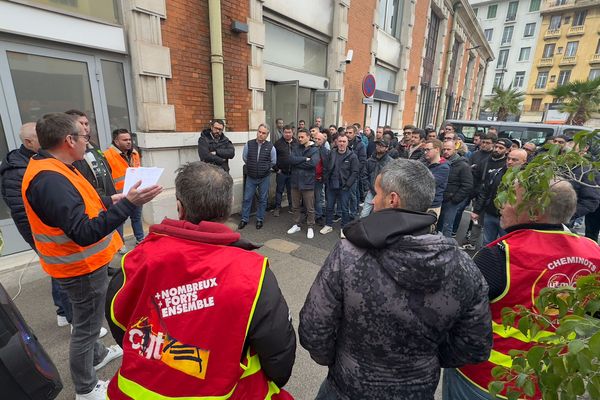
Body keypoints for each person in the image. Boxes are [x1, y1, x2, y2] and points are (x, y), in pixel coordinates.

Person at [300, 158, 492, 400]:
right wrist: (424, 359)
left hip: (347, 388)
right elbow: (474, 345)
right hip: (416, 390)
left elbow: (314, 329)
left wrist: (341, 362)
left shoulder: (349, 254)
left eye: (376, 193)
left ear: (393, 199)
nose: (371, 200)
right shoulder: (464, 266)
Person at [105, 161, 296, 400]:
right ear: (227, 209)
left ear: (179, 207)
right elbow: (277, 345)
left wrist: (153, 351)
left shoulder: (137, 259)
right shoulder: (253, 270)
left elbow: (117, 317)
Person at [22, 113, 162, 400]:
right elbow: (83, 231)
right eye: (84, 136)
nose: (88, 141)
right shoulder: (50, 178)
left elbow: (81, 204)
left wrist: (113, 199)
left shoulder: (60, 167)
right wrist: (128, 206)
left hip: (85, 263)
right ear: (68, 140)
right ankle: (86, 389)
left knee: (90, 321)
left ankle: (96, 357)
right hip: (79, 266)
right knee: (85, 329)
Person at [446, 180, 600, 400]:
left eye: (510, 200)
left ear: (535, 212)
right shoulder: (594, 252)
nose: (501, 205)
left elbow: (453, 310)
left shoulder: (500, 254)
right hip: (550, 381)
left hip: (486, 379)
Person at [0, 122, 72, 327]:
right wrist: (37, 239)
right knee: (60, 271)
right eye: (40, 137)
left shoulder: (41, 158)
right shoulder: (15, 170)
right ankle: (66, 314)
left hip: (51, 230)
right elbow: (21, 212)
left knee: (58, 271)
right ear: (28, 141)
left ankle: (63, 311)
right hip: (41, 232)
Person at [472, 148, 528, 245]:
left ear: (524, 161)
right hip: (491, 214)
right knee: (487, 243)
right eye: (508, 159)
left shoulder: (527, 178)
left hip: (510, 218)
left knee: (505, 245)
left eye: (515, 160)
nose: (510, 162)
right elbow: (485, 192)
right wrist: (477, 211)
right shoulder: (496, 173)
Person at [104, 129, 145, 245]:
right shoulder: (107, 155)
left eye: (129, 139)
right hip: (119, 195)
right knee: (119, 221)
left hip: (136, 192)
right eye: (125, 140)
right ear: (116, 141)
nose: (129, 142)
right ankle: (120, 244)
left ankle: (140, 239)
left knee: (137, 217)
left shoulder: (135, 153)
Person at [64, 110, 117, 198]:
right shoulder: (71, 151)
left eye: (86, 124)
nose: (85, 127)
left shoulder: (94, 146)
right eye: (81, 123)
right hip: (94, 201)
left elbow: (106, 169)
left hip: (110, 198)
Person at [320, 134, 359, 238]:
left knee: (344, 209)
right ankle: (328, 225)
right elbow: (326, 167)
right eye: (340, 141)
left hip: (344, 187)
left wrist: (348, 185)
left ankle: (344, 228)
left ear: (347, 143)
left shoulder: (352, 156)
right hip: (331, 185)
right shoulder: (331, 153)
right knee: (329, 207)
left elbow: (355, 172)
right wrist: (326, 180)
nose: (341, 143)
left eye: (344, 141)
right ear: (336, 142)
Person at [239, 124, 276, 230]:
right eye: (259, 132)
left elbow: (273, 161)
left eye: (263, 133)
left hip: (264, 177)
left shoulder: (271, 147)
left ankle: (260, 219)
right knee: (247, 198)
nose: (260, 134)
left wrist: (264, 168)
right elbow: (245, 158)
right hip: (251, 177)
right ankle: (244, 219)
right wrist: (253, 167)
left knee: (263, 199)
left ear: (267, 135)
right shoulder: (249, 144)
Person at [287, 129, 320, 239]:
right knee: (295, 206)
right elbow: (291, 160)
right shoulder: (296, 147)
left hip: (308, 182)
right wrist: (304, 159)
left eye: (302, 137)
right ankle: (296, 224)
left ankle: (310, 226)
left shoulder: (314, 149)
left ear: (308, 136)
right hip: (295, 181)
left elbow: (313, 163)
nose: (299, 139)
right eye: (299, 137)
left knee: (309, 207)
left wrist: (298, 162)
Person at [438, 140, 473, 237]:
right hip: (441, 198)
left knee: (447, 226)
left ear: (455, 149)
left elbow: (467, 185)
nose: (445, 151)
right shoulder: (441, 162)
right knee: (438, 225)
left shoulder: (463, 165)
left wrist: (455, 199)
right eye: (444, 149)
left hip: (451, 201)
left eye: (448, 149)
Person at [360, 138, 392, 218]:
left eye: (381, 145)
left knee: (379, 215)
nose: (378, 147)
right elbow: (364, 174)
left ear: (386, 148)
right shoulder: (370, 160)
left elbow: (392, 178)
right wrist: (367, 188)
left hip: (384, 192)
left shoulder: (390, 162)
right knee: (364, 214)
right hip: (371, 191)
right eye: (377, 145)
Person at [273, 125, 297, 217]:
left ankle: (292, 207)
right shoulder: (278, 143)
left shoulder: (296, 142)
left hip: (292, 172)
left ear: (292, 132)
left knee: (291, 191)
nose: (287, 134)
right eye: (286, 132)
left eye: (289, 132)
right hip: (281, 172)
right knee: (279, 190)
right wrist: (277, 169)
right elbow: (273, 158)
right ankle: (277, 208)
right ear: (283, 133)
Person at [423, 139, 450, 217]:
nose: (425, 152)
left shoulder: (444, 167)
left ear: (437, 149)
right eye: (425, 150)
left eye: (428, 150)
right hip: (422, 202)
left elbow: (430, 183)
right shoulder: (425, 163)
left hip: (432, 205)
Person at [314, 132, 330, 226]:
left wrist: (323, 177)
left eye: (319, 139)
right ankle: (309, 215)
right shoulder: (309, 149)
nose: (316, 140)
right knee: (308, 199)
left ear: (323, 141)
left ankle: (319, 216)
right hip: (308, 178)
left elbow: (327, 166)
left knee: (318, 199)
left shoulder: (326, 152)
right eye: (315, 138)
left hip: (319, 179)